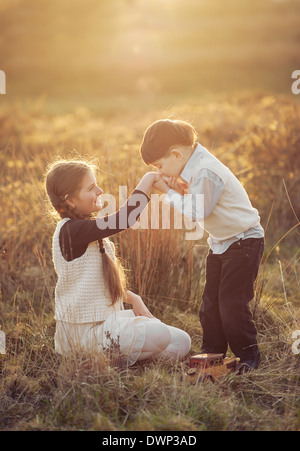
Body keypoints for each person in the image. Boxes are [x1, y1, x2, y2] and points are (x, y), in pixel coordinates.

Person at [140, 119, 265, 373]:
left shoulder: (206, 170)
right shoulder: (194, 167)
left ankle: (248, 357)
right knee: (210, 305)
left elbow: (199, 211)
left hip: (244, 243)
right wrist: (179, 189)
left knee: (231, 304)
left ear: (176, 154)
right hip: (221, 244)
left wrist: (166, 191)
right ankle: (212, 355)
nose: (161, 172)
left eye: (161, 165)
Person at [45, 159, 191, 366]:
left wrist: (132, 298)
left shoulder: (85, 228)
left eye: (96, 184)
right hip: (83, 334)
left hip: (108, 322)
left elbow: (95, 282)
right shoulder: (70, 231)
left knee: (181, 341)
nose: (100, 190)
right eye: (91, 187)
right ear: (70, 201)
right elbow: (124, 219)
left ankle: (120, 358)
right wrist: (149, 179)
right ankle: (92, 359)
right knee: (159, 334)